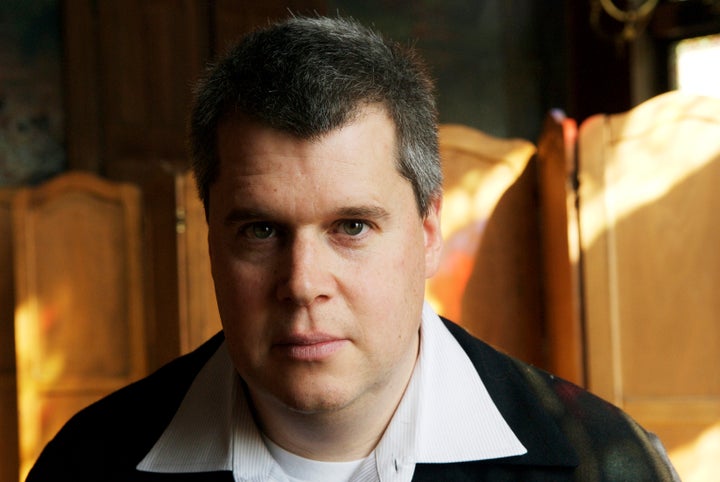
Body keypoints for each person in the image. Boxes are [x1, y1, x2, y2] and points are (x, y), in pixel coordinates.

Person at [27, 15, 679, 482]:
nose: (303, 283)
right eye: (260, 230)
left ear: (428, 232)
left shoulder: (608, 462)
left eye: (352, 227)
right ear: (208, 238)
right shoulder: (88, 461)